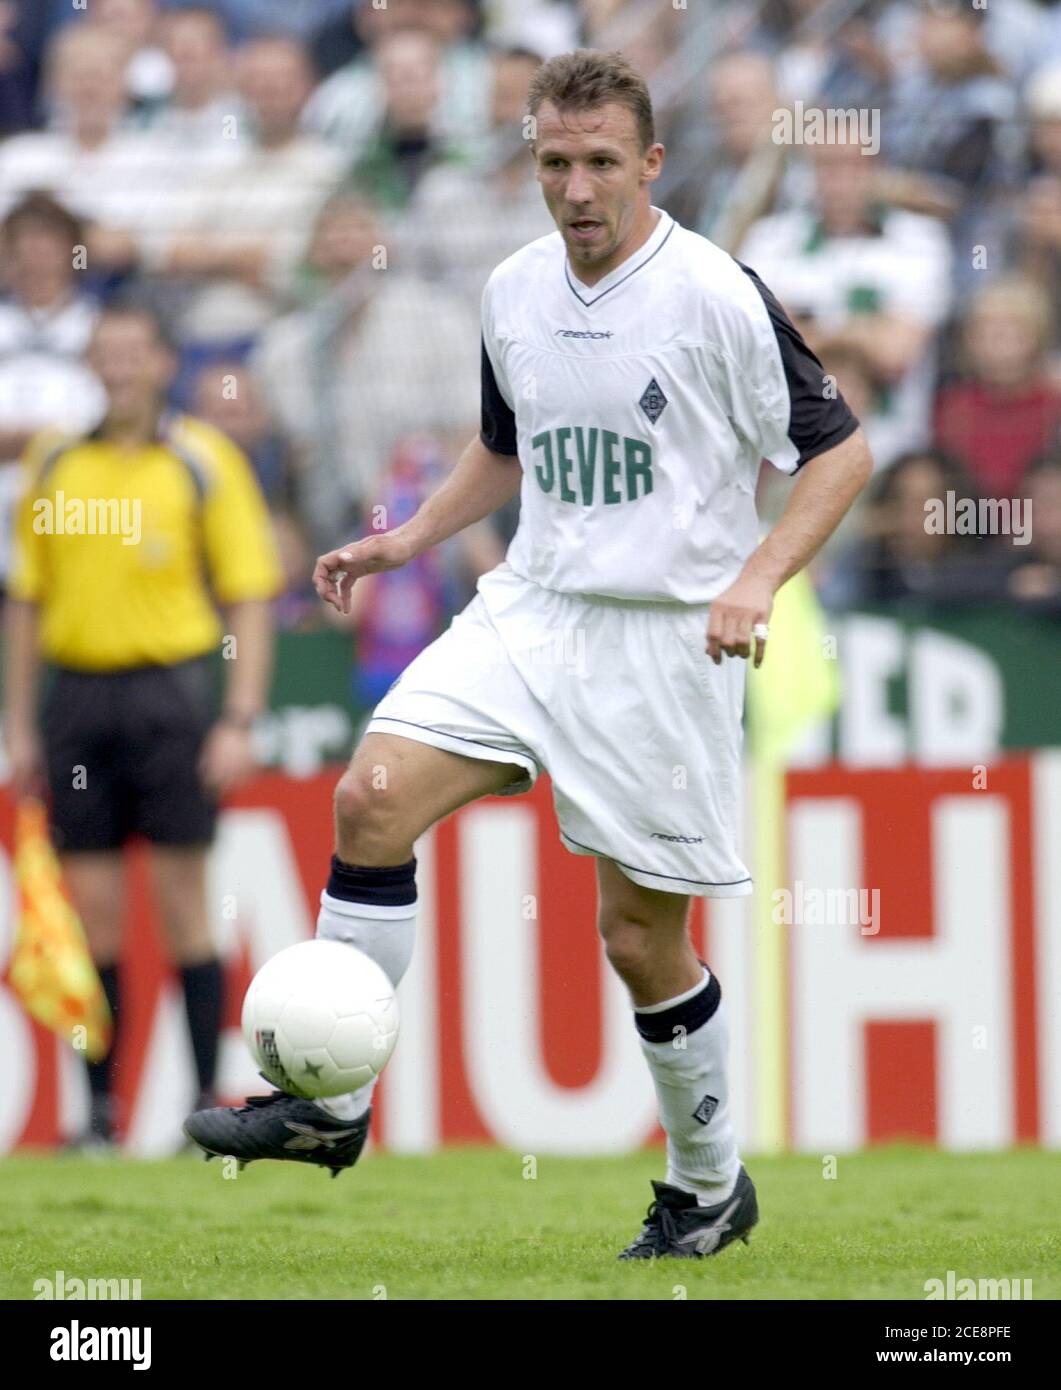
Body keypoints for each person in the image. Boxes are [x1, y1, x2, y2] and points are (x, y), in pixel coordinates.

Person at [185, 48, 872, 1260]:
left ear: (650, 163)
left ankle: (708, 1185)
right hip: (532, 608)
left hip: (663, 642)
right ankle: (329, 1109)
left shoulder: (714, 293)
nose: (575, 189)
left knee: (637, 941)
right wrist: (405, 539)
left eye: (601, 162)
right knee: (370, 797)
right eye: (553, 163)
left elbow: (839, 453)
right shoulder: (511, 288)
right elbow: (506, 448)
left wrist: (756, 578)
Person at [2, 303, 282, 1147]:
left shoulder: (202, 460)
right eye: (106, 352)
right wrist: (19, 722)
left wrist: (238, 716)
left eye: (135, 351)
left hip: (168, 696)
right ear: (91, 362)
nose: (119, 366)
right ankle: (100, 1116)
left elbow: (250, 592)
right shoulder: (55, 460)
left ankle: (202, 1108)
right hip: (77, 698)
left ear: (164, 361)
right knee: (94, 918)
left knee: (184, 905)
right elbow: (26, 599)